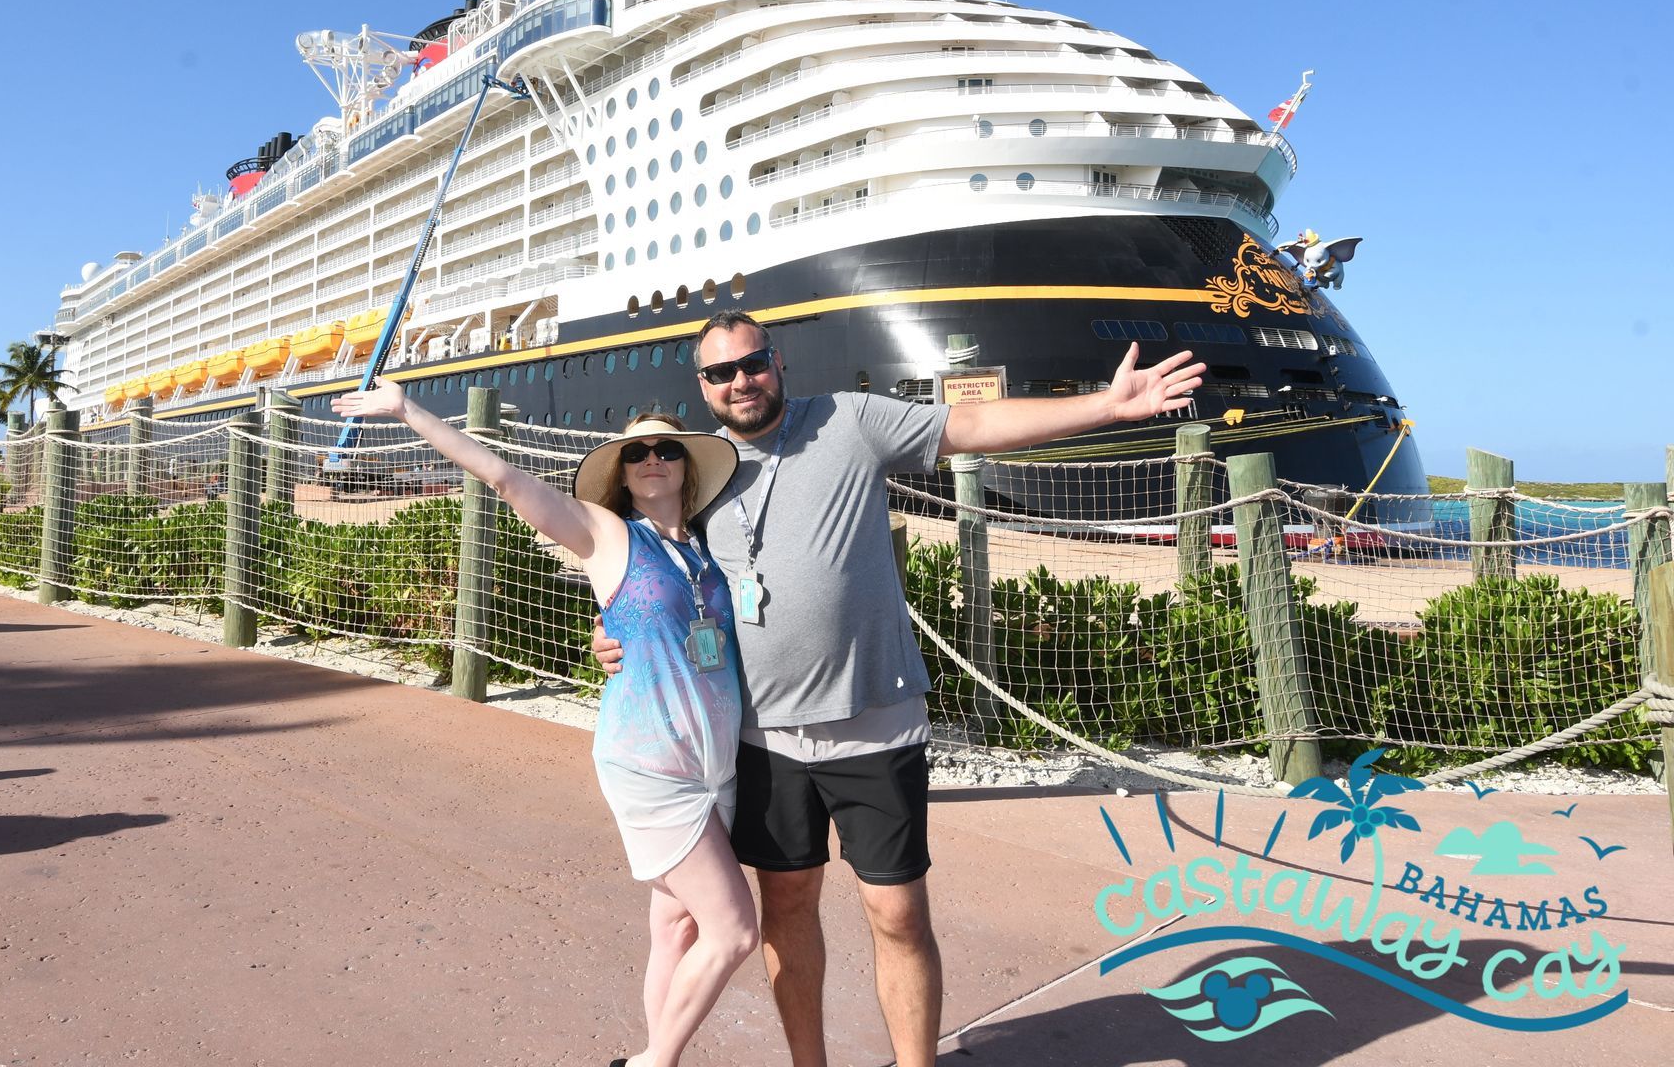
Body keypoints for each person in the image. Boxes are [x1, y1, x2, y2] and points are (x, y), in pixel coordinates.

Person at [595, 310, 1203, 1067]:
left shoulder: (850, 421)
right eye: (721, 373)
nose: (740, 382)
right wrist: (616, 638)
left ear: (777, 362)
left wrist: (1105, 407)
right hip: (761, 737)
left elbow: (971, 423)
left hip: (875, 720)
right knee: (786, 908)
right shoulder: (699, 469)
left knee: (898, 914)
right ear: (703, 385)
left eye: (751, 364)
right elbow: (651, 575)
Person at [333, 381, 760, 1067]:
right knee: (734, 931)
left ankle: (661, 1054)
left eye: (667, 449)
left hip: (715, 767)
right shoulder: (606, 532)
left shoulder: (711, 549)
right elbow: (504, 479)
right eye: (637, 451)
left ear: (687, 463)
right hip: (651, 763)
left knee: (676, 927)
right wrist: (408, 411)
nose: (653, 459)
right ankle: (653, 1064)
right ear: (621, 471)